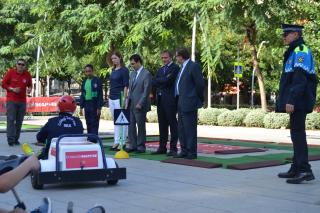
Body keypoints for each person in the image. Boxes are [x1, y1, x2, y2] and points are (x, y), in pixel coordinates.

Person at [276, 24, 317, 184]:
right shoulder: (294, 51)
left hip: (299, 100)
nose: (283, 37)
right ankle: (296, 168)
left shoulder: (301, 51)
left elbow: (300, 78)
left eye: (286, 34)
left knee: (298, 134)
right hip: (297, 99)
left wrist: (291, 100)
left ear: (295, 34)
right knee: (295, 134)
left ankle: (305, 170)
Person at [174, 48, 204, 160]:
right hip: (181, 101)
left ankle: (191, 152)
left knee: (189, 128)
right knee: (181, 128)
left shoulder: (193, 66)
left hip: (190, 102)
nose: (176, 58)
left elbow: (200, 84)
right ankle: (184, 150)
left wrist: (197, 98)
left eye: (177, 56)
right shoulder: (182, 67)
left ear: (181, 56)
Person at [151, 50, 180, 156]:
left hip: (170, 101)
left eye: (166, 57)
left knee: (173, 124)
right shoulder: (160, 69)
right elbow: (153, 82)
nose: (164, 60)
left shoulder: (175, 68)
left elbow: (169, 81)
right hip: (160, 100)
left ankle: (173, 148)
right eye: (162, 58)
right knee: (162, 125)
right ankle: (162, 147)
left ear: (171, 57)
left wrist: (160, 80)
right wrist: (161, 80)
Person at [1, 59, 32, 146]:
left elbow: (30, 84)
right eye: (19, 64)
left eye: (23, 64)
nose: (21, 66)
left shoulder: (27, 74)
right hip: (12, 101)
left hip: (22, 101)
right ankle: (10, 140)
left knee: (19, 121)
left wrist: (29, 89)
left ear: (25, 66)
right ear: (16, 65)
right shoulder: (11, 72)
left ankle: (16, 139)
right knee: (11, 120)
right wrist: (12, 89)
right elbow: (3, 84)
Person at [126, 54, 152, 153]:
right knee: (131, 125)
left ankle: (141, 146)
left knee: (140, 126)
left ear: (138, 62)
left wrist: (141, 103)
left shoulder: (146, 74)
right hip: (131, 103)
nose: (132, 65)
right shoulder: (132, 74)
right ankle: (132, 144)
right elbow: (130, 89)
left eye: (133, 63)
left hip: (140, 104)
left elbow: (146, 91)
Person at [107, 51, 130, 150]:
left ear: (120, 58)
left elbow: (126, 86)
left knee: (122, 120)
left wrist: (125, 99)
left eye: (115, 58)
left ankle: (123, 141)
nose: (114, 60)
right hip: (111, 97)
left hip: (119, 97)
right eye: (112, 59)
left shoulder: (124, 70)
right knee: (115, 120)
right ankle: (116, 141)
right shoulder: (113, 70)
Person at [79, 64, 103, 140]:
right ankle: (89, 138)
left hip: (94, 104)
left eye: (89, 71)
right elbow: (82, 95)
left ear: (92, 71)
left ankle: (94, 139)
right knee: (88, 122)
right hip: (87, 104)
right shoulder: (84, 81)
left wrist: (99, 107)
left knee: (94, 123)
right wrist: (81, 107)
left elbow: (100, 95)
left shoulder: (97, 80)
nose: (88, 73)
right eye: (86, 71)